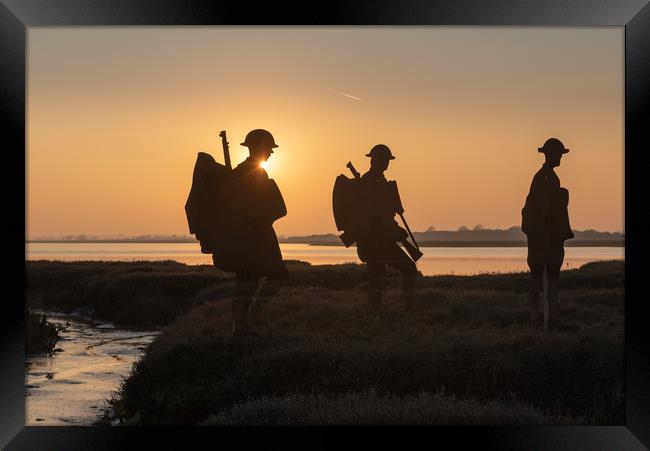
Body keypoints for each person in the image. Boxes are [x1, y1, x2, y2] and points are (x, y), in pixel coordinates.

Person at [219, 129, 289, 337]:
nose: (271, 153)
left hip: (253, 235)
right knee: (264, 278)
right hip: (253, 237)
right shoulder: (252, 172)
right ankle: (245, 323)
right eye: (268, 148)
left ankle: (244, 324)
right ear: (258, 148)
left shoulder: (244, 172)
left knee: (247, 281)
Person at [355, 144, 418, 313]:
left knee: (377, 279)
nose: (386, 163)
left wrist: (395, 229)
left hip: (380, 240)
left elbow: (385, 215)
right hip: (376, 242)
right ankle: (408, 307)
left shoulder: (379, 182)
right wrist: (394, 230)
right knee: (407, 269)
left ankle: (376, 312)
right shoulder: (369, 183)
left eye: (387, 161)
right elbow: (373, 216)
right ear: (374, 160)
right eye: (383, 160)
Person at [521, 137, 574, 330]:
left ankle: (542, 319)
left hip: (540, 239)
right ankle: (544, 320)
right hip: (545, 240)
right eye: (559, 154)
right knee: (545, 280)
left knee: (541, 280)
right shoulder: (546, 178)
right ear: (550, 154)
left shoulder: (545, 177)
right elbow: (546, 212)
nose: (560, 157)